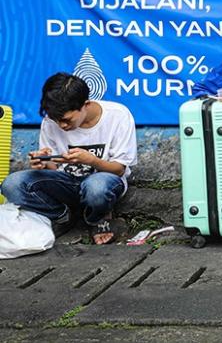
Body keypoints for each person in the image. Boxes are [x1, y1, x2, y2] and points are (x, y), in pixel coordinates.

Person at [1, 73, 137, 245]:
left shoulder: (118, 116)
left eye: (66, 120)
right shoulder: (50, 122)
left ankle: (97, 217)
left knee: (96, 187)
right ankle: (62, 216)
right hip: (67, 182)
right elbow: (55, 170)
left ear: (85, 105)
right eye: (56, 120)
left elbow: (119, 169)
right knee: (12, 184)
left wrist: (91, 160)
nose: (61, 126)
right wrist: (43, 163)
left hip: (104, 181)